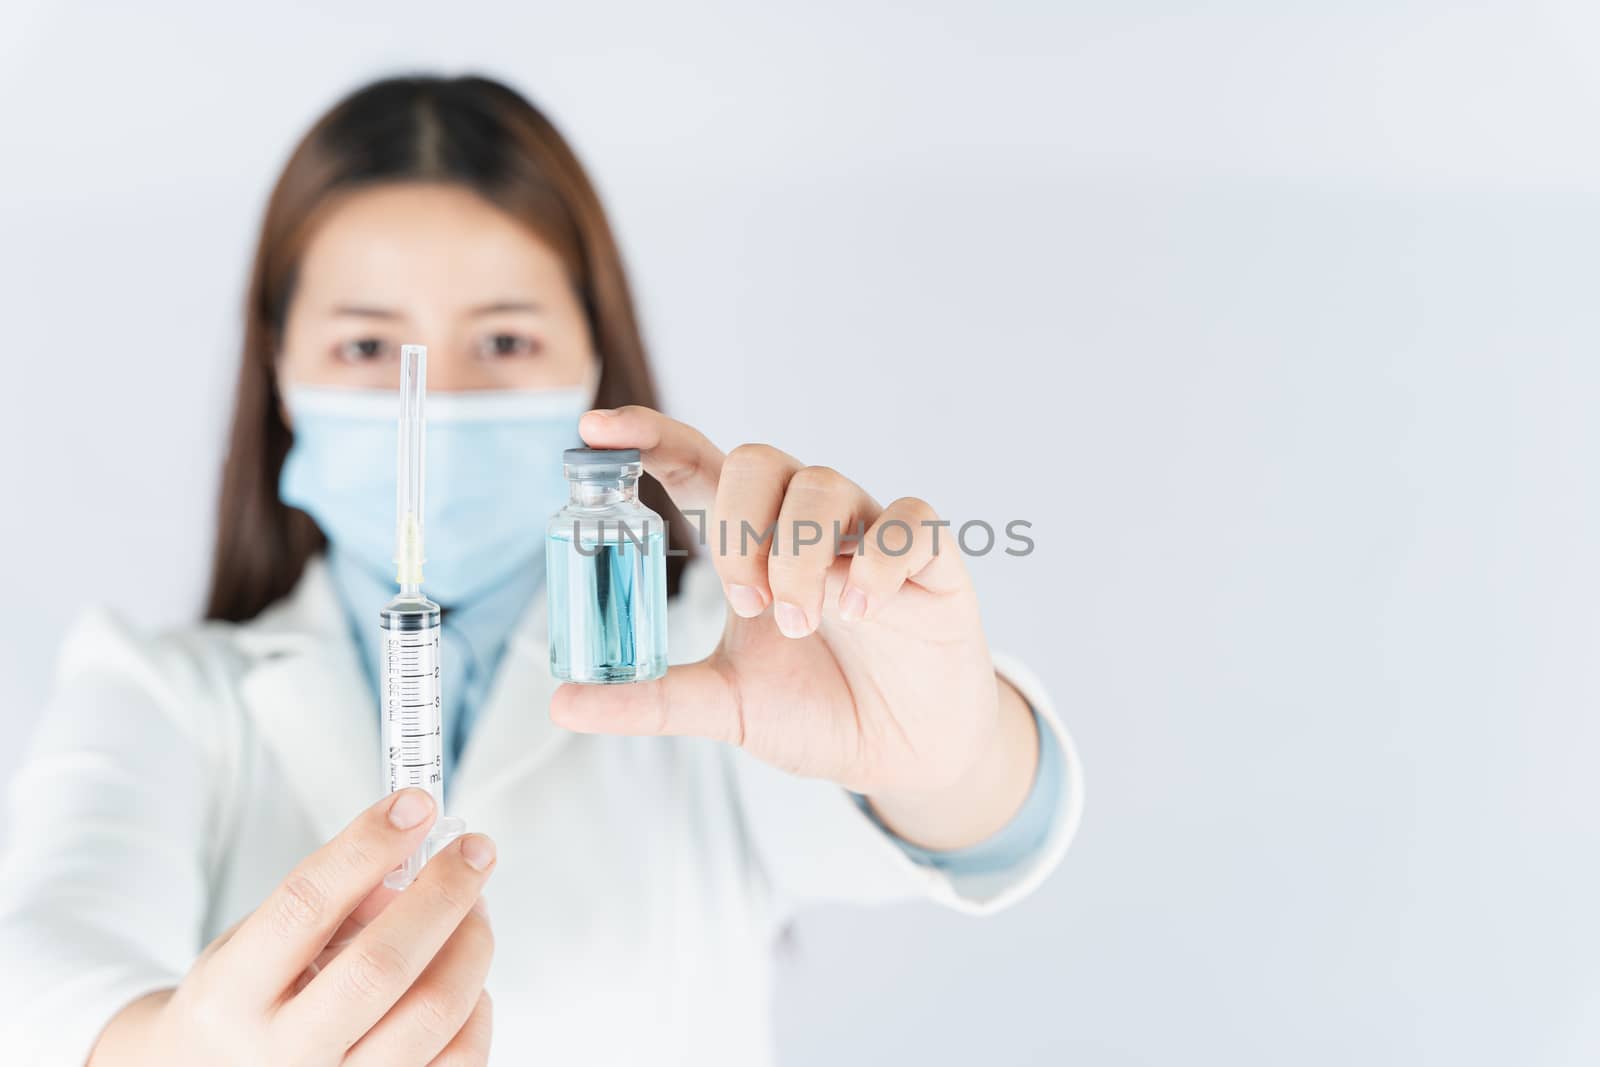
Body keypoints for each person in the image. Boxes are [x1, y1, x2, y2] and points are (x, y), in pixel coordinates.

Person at [0, 74, 1082, 1066]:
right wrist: (167, 1051)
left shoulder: (734, 652)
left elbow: (978, 823)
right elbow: (40, 962)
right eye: (367, 348)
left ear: (592, 364)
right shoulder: (163, 689)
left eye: (507, 342)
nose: (443, 400)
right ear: (277, 372)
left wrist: (945, 751)